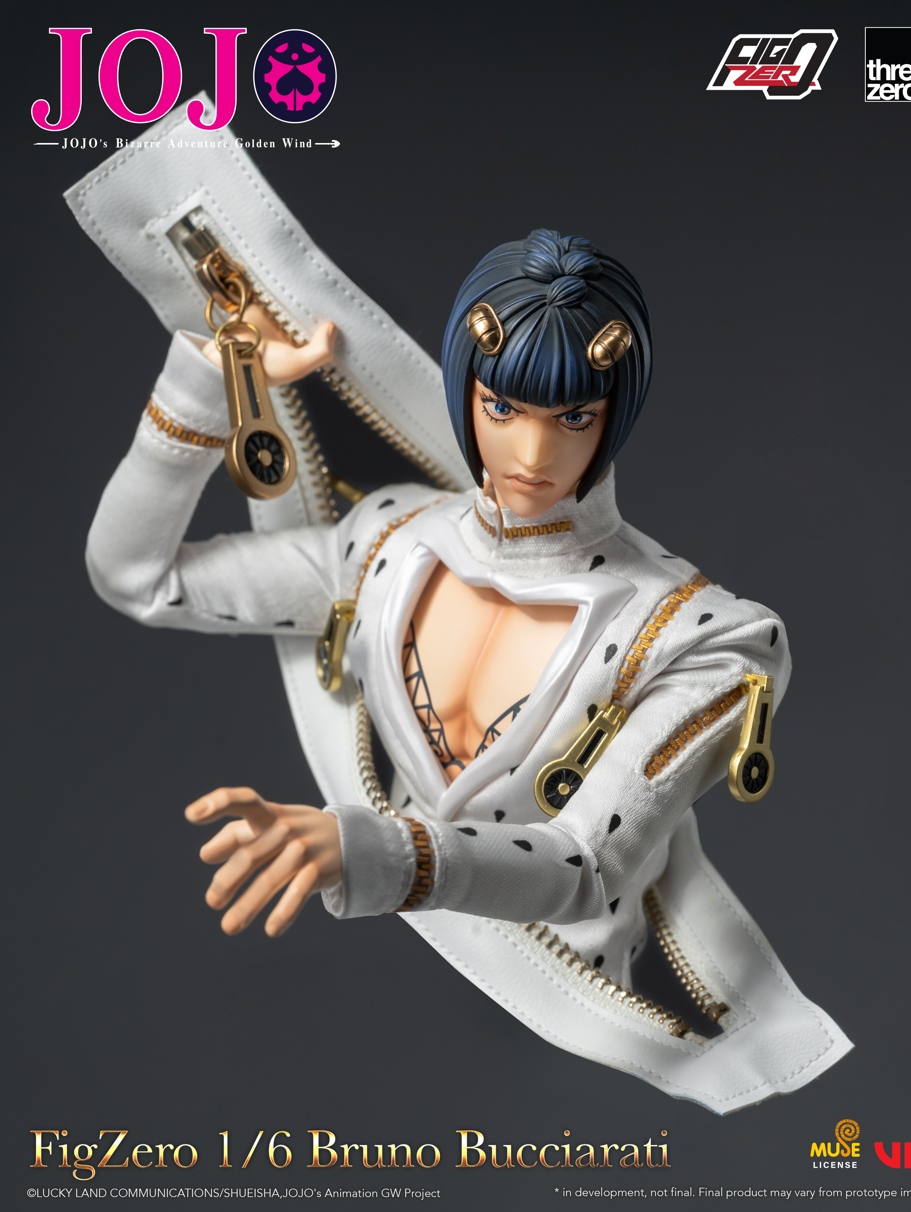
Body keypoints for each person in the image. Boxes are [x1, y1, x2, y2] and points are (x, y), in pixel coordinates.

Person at [86, 228, 849, 1110]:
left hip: (587, 1034)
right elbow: (135, 575)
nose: (532, 456)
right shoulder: (385, 542)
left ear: (618, 411)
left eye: (573, 417)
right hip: (357, 998)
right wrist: (215, 376)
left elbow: (585, 867)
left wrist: (366, 849)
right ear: (465, 392)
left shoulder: (702, 638)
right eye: (502, 407)